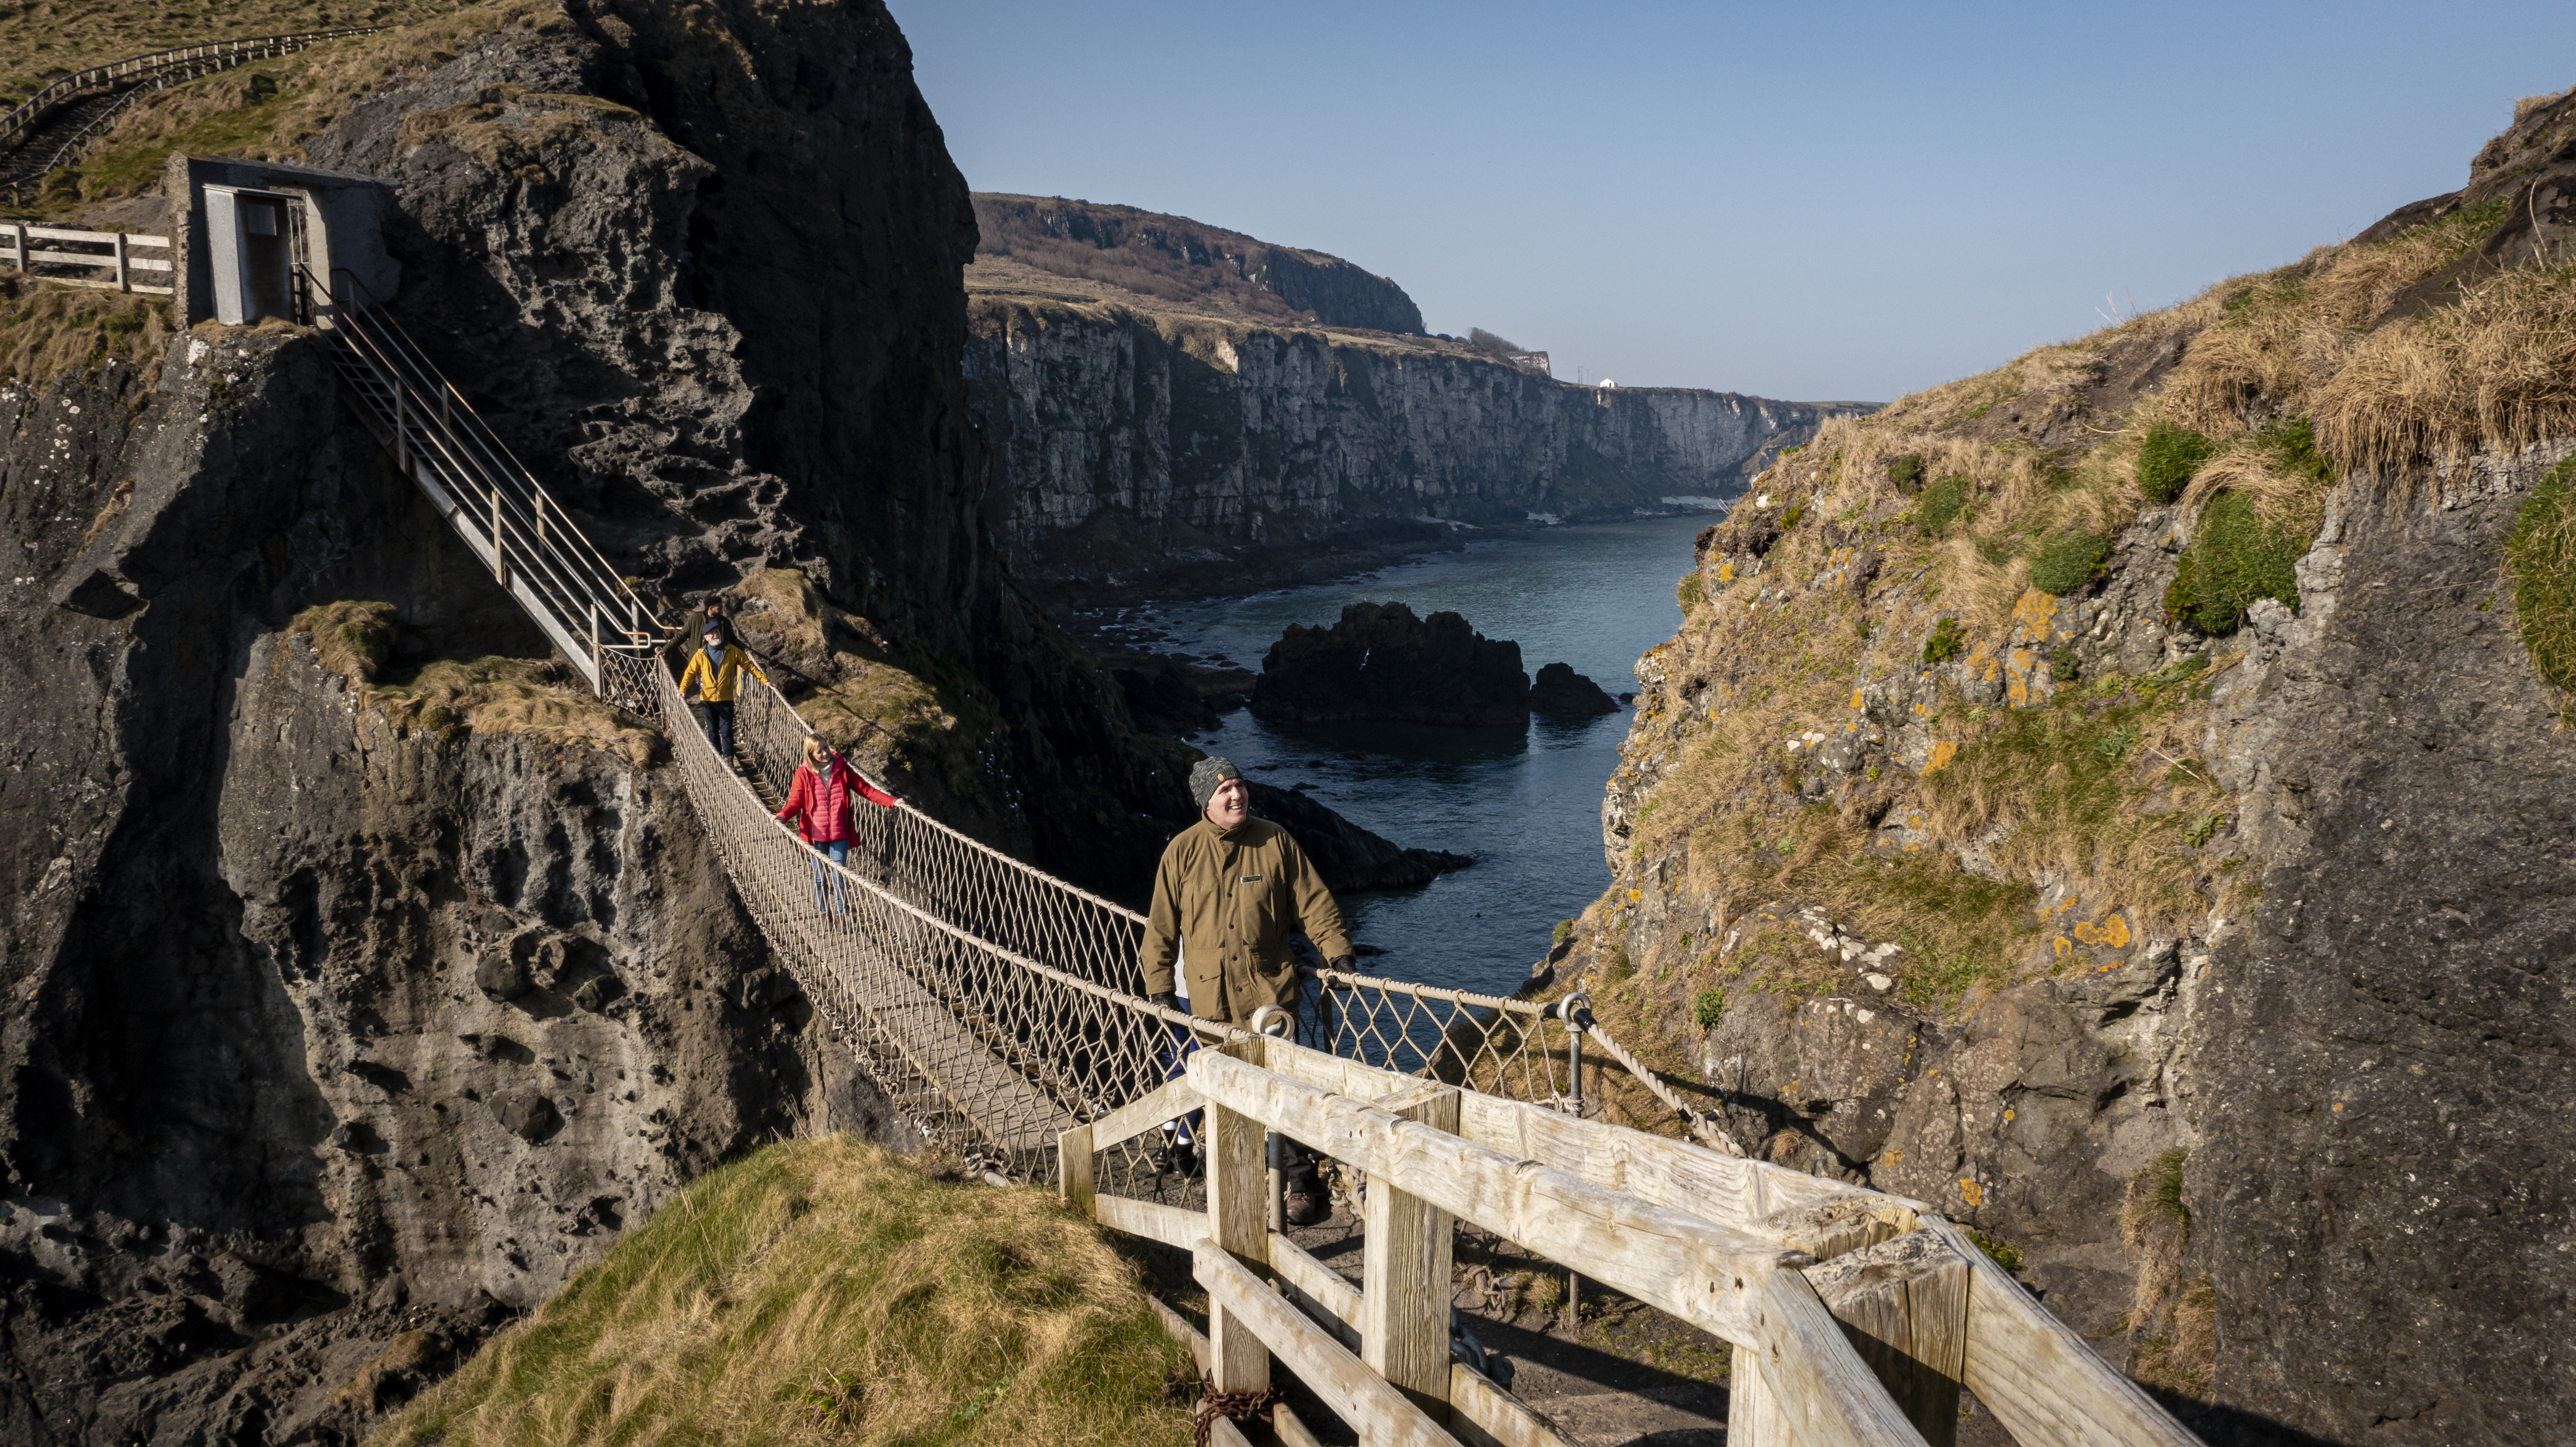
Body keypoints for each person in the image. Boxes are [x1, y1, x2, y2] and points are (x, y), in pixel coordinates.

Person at [1140, 755, 1354, 1225]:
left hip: (1270, 997)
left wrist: (1337, 953)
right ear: (1206, 803)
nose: (1236, 795)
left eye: (1239, 785)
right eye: (1224, 791)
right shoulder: (1181, 852)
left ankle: (1300, 1185)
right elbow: (1159, 929)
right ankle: (1235, 1189)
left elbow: (1313, 901)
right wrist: (1159, 991)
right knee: (1225, 1096)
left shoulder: (1276, 841)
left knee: (1286, 1091)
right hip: (1210, 1002)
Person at [776, 735, 899, 911]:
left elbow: (866, 789)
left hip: (839, 833)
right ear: (810, 754)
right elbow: (795, 802)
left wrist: (892, 802)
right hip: (816, 835)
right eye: (820, 751)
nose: (825, 753)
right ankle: (824, 911)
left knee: (839, 874)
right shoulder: (803, 773)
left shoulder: (842, 768)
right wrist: (782, 816)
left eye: (826, 748)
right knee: (820, 876)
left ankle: (842, 912)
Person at [677, 624, 767, 766]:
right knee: (712, 731)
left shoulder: (732, 651)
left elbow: (749, 666)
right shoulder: (700, 655)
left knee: (727, 730)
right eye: (711, 633)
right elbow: (690, 672)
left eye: (717, 631)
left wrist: (765, 681)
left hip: (726, 698)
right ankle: (718, 758)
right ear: (706, 638)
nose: (715, 634)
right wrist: (683, 689)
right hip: (707, 699)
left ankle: (729, 759)